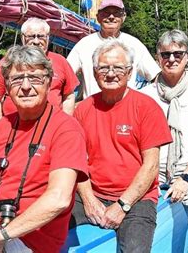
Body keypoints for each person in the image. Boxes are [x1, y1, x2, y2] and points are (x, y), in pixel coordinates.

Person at [0, 45, 88, 253]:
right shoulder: (4, 125)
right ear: (7, 87)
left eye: (35, 78)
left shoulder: (66, 129)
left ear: (49, 82)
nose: (26, 86)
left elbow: (59, 198)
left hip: (33, 237)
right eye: (17, 79)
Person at [70, 38, 172, 252]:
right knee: (46, 229)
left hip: (136, 198)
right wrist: (88, 199)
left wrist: (122, 205)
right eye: (103, 67)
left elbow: (151, 166)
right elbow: (76, 162)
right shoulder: (82, 110)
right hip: (92, 192)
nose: (110, 73)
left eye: (118, 67)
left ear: (129, 71)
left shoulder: (146, 108)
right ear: (95, 71)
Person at [141, 29, 188, 248]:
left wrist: (186, 178)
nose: (171, 59)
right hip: (152, 172)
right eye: (166, 54)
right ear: (158, 58)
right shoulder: (145, 95)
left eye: (178, 54)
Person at [0, 18, 79, 124]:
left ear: (48, 37)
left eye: (41, 36)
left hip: (52, 127)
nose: (36, 41)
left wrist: (65, 123)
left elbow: (69, 96)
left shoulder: (61, 62)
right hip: (15, 128)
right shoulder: (7, 63)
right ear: (23, 38)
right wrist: (0, 128)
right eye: (31, 36)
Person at [67, 0, 160, 98]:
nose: (111, 17)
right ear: (98, 17)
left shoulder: (134, 44)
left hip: (126, 110)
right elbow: (64, 74)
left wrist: (144, 100)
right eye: (106, 13)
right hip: (94, 109)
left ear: (123, 17)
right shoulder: (84, 45)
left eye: (116, 13)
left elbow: (156, 76)